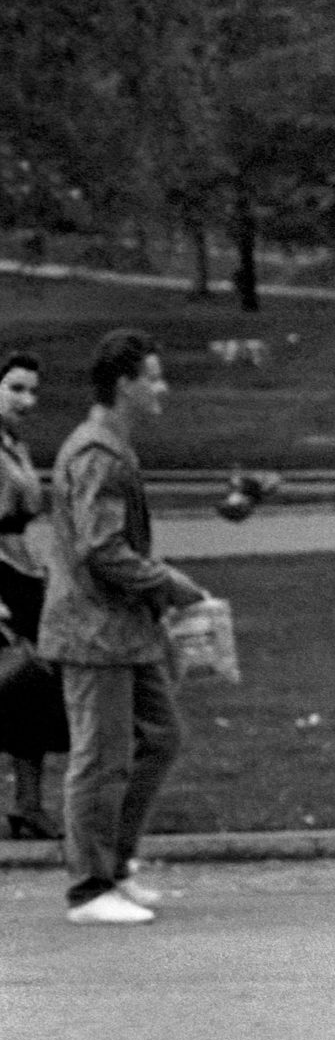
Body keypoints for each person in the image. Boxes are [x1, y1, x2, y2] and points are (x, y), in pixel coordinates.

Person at [44, 330, 213, 927]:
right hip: (93, 632)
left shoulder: (111, 449)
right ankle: (89, 889)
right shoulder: (97, 454)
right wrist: (166, 583)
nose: (162, 387)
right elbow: (101, 549)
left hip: (124, 629)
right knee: (100, 757)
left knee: (160, 737)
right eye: (153, 376)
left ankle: (113, 866)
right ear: (124, 384)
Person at [0, 352, 56, 836]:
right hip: (2, 580)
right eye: (16, 388)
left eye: (32, 390)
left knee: (30, 689)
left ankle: (28, 803)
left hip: (23, 573)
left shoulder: (13, 445)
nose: (27, 400)